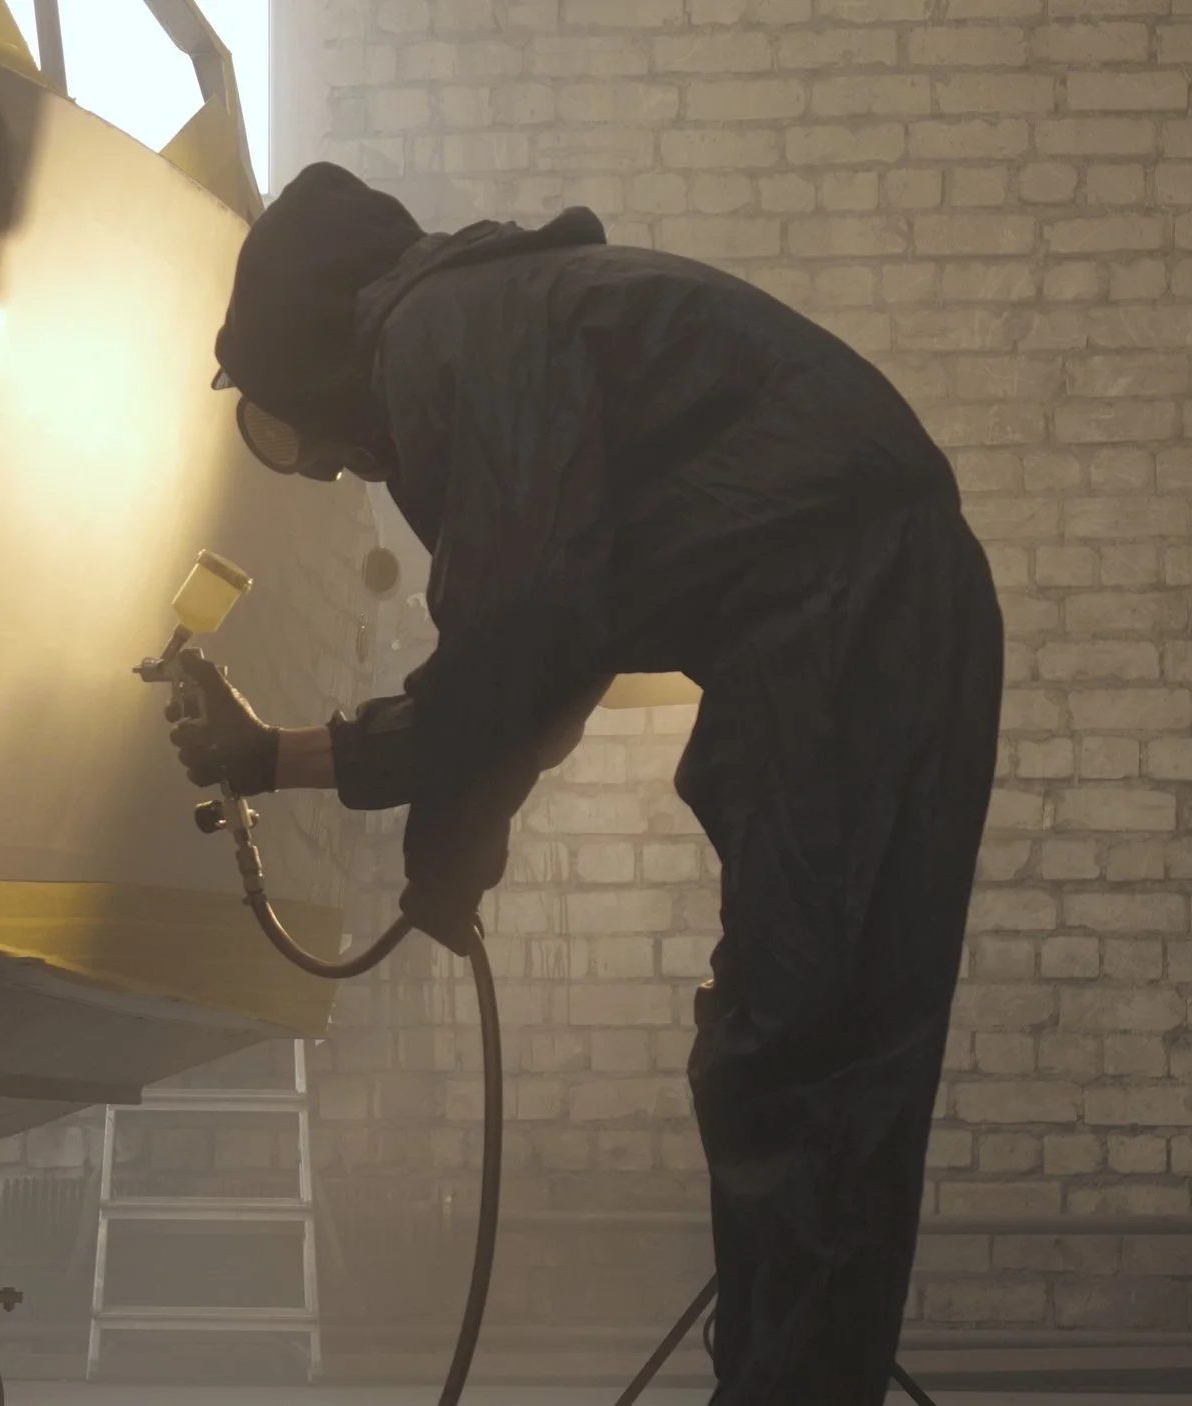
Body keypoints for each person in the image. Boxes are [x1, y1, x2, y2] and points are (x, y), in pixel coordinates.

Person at [170, 163, 1002, 1404]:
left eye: (293, 430)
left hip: (842, 616)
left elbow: (522, 627)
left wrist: (440, 845)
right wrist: (306, 768)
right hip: (849, 617)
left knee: (798, 1062)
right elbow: (548, 645)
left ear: (317, 348)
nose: (332, 464)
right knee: (799, 1054)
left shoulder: (448, 337)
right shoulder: (502, 319)